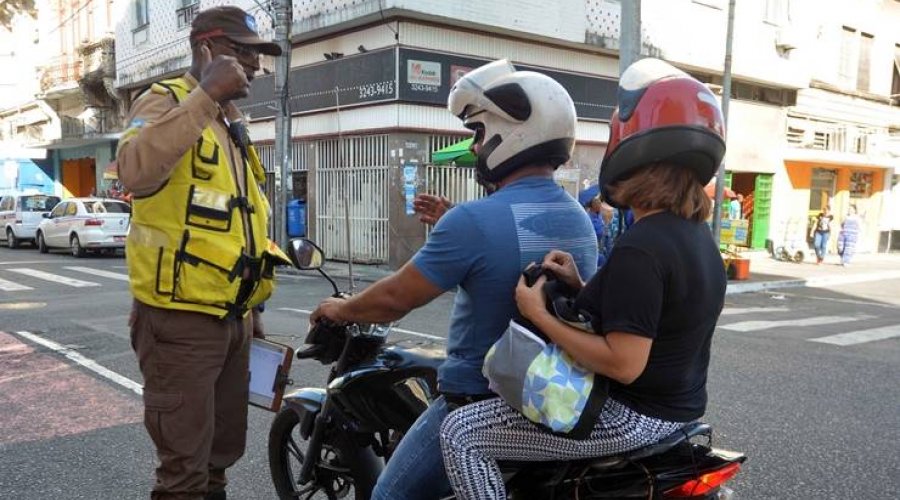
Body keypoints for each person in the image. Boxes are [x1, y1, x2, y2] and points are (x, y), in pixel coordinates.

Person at [440, 58, 729, 500]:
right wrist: (578, 285)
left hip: (630, 416)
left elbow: (623, 362)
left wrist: (539, 313)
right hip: (679, 411)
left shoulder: (643, 245)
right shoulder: (695, 237)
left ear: (632, 153)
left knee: (461, 433)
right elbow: (653, 315)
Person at [310, 59, 598, 500]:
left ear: (512, 133)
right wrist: (453, 221)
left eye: (479, 134)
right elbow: (509, 255)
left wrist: (340, 308)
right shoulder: (577, 216)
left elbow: (394, 299)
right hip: (555, 398)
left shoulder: (475, 220)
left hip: (479, 402)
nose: (476, 148)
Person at [116, 6, 289, 500]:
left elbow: (239, 228)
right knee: (184, 472)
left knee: (219, 457)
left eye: (258, 54)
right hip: (179, 322)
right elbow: (134, 172)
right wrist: (205, 94)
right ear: (206, 48)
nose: (255, 65)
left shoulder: (230, 123)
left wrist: (252, 309)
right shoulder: (163, 102)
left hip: (231, 319)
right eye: (243, 51)